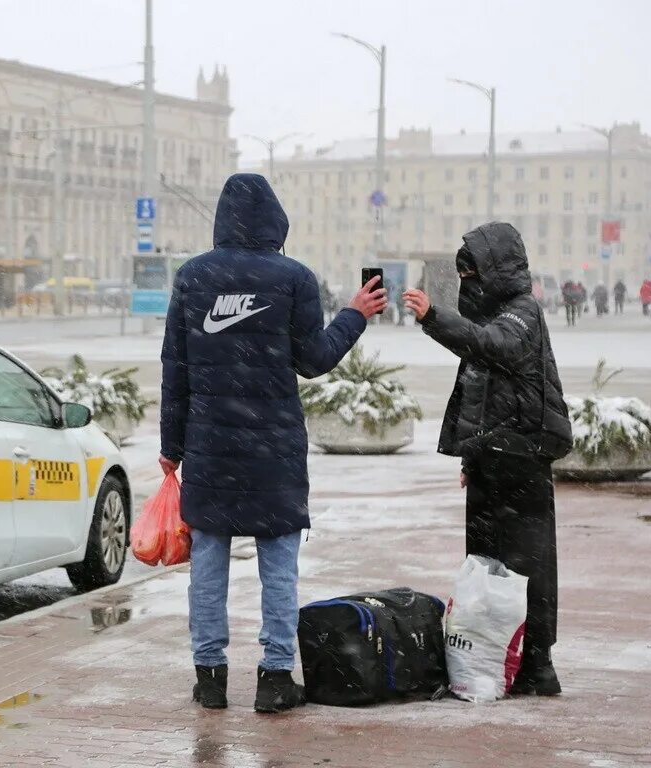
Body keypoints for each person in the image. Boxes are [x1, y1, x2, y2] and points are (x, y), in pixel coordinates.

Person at [160, 173, 388, 714]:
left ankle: (210, 678)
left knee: (208, 567)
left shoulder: (193, 277)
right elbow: (314, 359)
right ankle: (275, 678)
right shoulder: (293, 278)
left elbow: (176, 369)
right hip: (274, 450)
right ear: (275, 219)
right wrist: (356, 313)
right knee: (278, 569)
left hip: (211, 448)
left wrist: (172, 447)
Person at [403, 222, 572, 697]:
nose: (468, 283)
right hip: (491, 459)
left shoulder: (522, 313)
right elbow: (481, 397)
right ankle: (492, 659)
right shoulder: (490, 319)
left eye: (473, 273)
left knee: (526, 567)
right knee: (484, 566)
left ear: (498, 270)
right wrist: (470, 457)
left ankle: (537, 664)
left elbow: (498, 347)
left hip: (523, 459)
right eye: (463, 274)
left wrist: (434, 317)